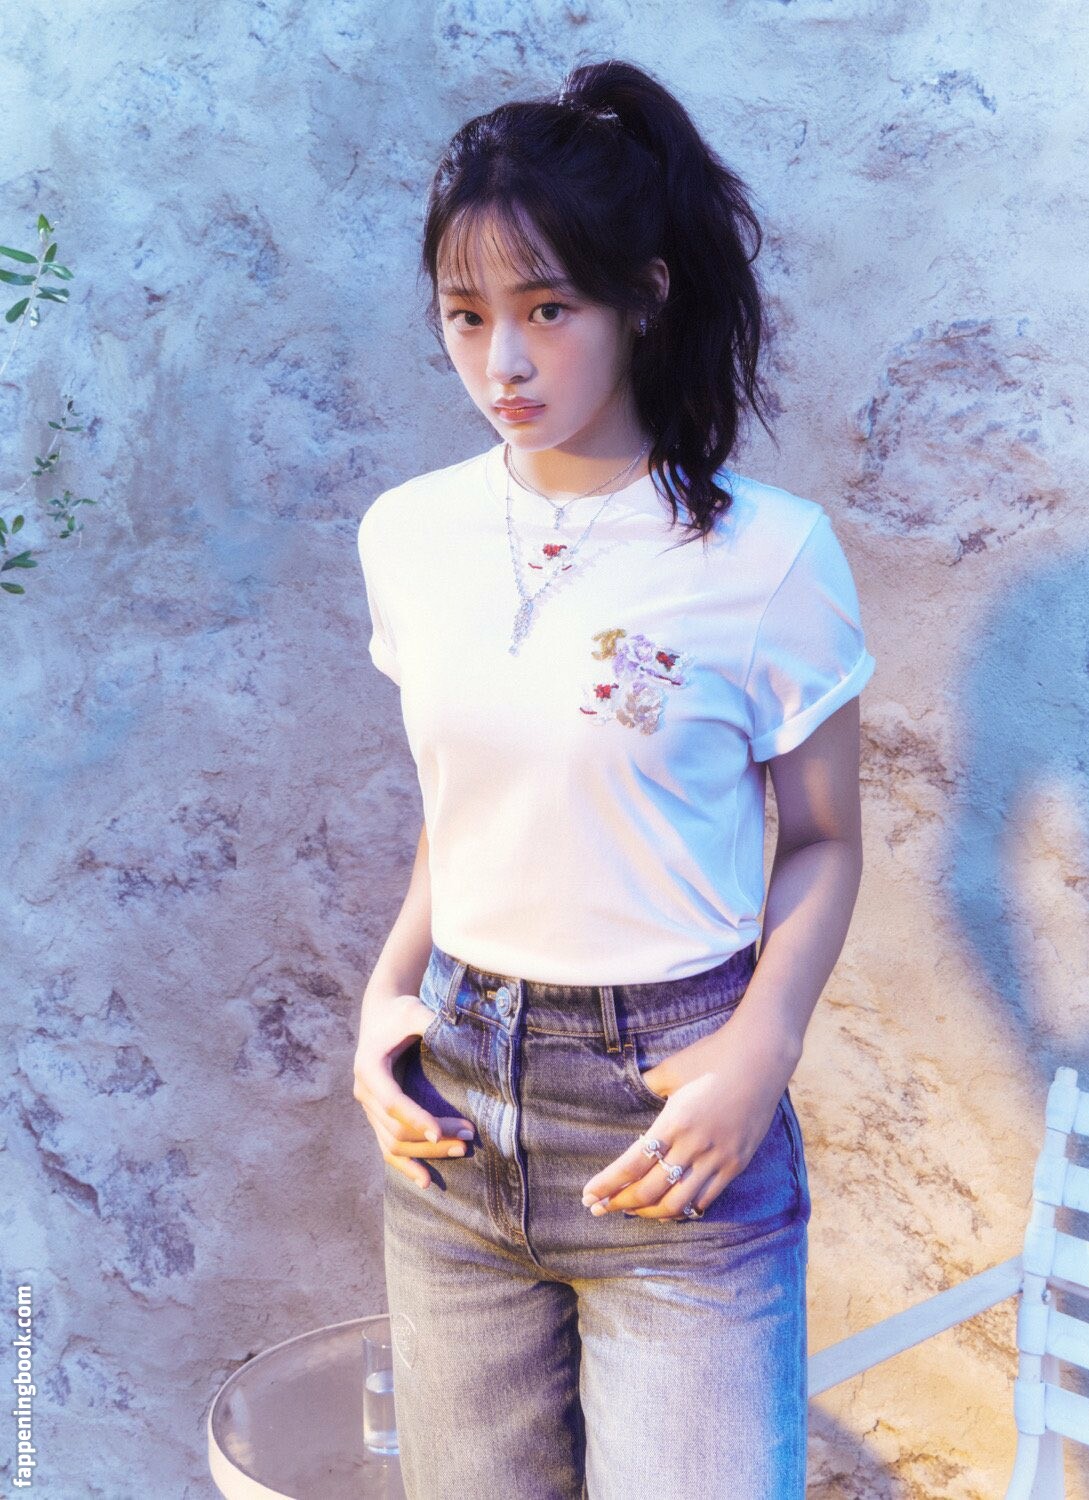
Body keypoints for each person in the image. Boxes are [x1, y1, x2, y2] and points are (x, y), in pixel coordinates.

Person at [351, 56, 875, 1500]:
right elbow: (465, 813)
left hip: (674, 1125)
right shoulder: (409, 535)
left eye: (546, 310)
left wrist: (763, 1050)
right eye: (466, 316)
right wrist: (381, 1006)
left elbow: (823, 839)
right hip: (452, 1123)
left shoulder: (767, 556)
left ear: (641, 296)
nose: (501, 364)